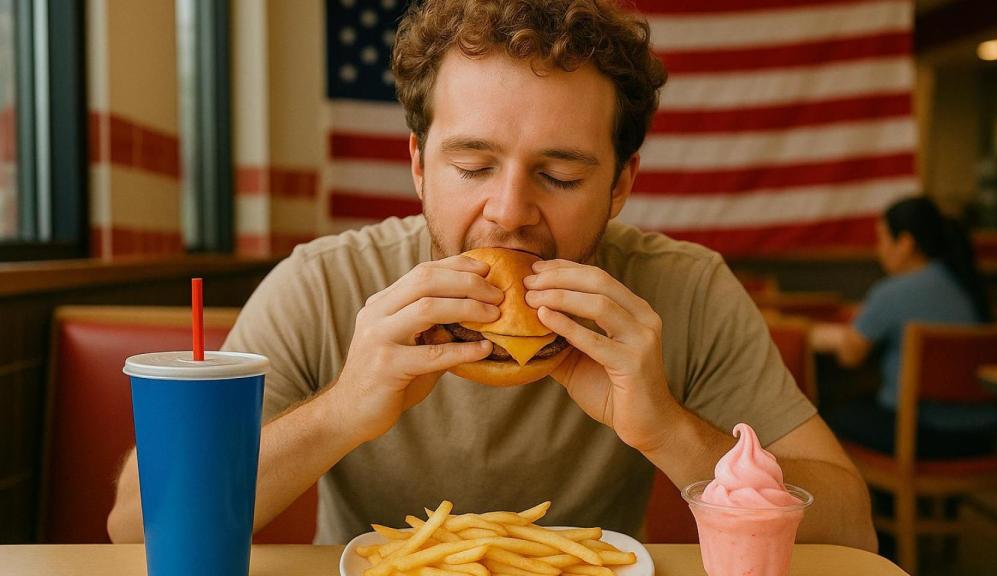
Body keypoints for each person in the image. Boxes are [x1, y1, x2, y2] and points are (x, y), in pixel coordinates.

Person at [108, 0, 875, 550]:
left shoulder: (684, 291)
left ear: (622, 183)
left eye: (563, 177)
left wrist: (666, 427)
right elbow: (136, 525)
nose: (508, 213)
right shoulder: (325, 285)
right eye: (473, 165)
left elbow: (850, 529)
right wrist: (343, 410)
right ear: (417, 165)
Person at [812, 196, 997, 458]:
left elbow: (849, 356)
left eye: (882, 238)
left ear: (905, 243)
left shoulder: (892, 292)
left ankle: (880, 500)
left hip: (923, 433)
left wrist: (817, 335)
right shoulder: (966, 285)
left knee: (826, 423)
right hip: (981, 434)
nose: (879, 249)